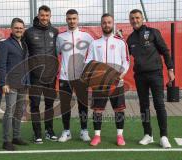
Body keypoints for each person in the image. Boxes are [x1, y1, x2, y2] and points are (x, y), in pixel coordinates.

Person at [127, 9, 175, 148]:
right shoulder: (130, 39)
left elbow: (165, 51)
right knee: (143, 106)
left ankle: (164, 136)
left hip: (155, 74)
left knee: (159, 104)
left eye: (137, 18)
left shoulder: (153, 32)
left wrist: (170, 69)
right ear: (130, 21)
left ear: (142, 19)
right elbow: (124, 57)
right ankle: (148, 134)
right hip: (140, 76)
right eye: (132, 18)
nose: (135, 20)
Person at [85, 13, 130, 146]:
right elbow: (88, 61)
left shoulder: (121, 42)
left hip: (117, 82)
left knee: (119, 109)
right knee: (97, 110)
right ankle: (97, 136)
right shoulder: (94, 43)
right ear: (101, 24)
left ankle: (120, 136)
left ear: (113, 23)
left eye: (109, 22)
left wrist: (119, 76)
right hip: (99, 83)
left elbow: (126, 62)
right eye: (104, 22)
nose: (106, 25)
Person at [56, 9, 94, 142]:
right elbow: (57, 53)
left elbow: (94, 52)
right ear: (66, 20)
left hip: (81, 77)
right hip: (65, 77)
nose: (72, 21)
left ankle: (84, 131)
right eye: (69, 19)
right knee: (65, 105)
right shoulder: (60, 37)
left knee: (82, 104)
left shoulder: (87, 36)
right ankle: (66, 131)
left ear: (78, 19)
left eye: (74, 18)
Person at [24, 5, 59, 144]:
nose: (44, 18)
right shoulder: (29, 32)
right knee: (35, 105)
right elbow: (23, 52)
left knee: (50, 105)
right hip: (35, 76)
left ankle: (49, 131)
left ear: (50, 16)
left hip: (50, 76)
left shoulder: (55, 32)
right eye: (42, 15)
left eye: (47, 15)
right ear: (38, 16)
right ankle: (37, 133)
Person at [0, 18, 29, 151]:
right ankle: (6, 141)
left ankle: (16, 137)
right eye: (16, 28)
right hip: (10, 83)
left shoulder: (25, 44)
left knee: (19, 111)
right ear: (11, 29)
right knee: (9, 112)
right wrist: (3, 82)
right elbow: (1, 65)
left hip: (23, 83)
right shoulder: (5, 44)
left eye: (21, 28)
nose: (19, 30)